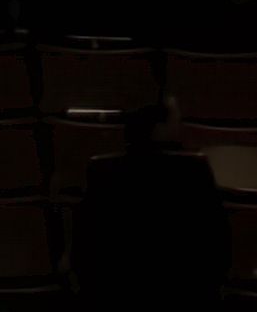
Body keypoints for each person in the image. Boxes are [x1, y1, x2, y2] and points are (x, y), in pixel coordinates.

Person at [71, 102, 225, 309]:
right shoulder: (193, 170)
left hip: (113, 293)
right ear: (159, 128)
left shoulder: (102, 170)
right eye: (176, 123)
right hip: (185, 293)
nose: (181, 128)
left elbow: (85, 241)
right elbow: (216, 238)